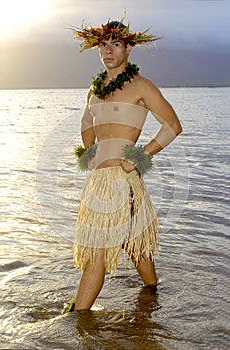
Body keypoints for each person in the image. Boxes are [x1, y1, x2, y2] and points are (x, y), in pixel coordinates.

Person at [70, 19, 182, 311]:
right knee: (137, 245)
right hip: (99, 180)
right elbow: (86, 121)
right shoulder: (95, 89)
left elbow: (172, 126)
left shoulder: (141, 86)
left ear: (129, 48)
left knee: (96, 253)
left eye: (115, 44)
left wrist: (139, 157)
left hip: (122, 179)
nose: (108, 50)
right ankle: (152, 296)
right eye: (103, 45)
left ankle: (77, 317)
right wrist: (88, 151)